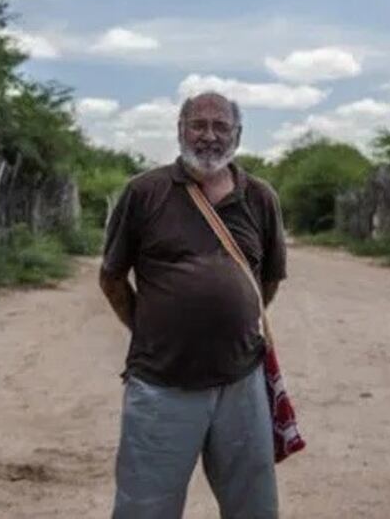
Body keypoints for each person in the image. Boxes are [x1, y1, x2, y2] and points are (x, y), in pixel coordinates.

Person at [99, 91, 288, 518]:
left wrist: (231, 327)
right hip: (161, 384)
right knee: (145, 508)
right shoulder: (144, 192)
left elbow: (268, 280)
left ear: (237, 134)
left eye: (221, 126)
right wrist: (151, 330)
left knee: (253, 508)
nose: (209, 136)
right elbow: (111, 277)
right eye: (198, 125)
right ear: (180, 130)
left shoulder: (260, 197)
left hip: (241, 382)